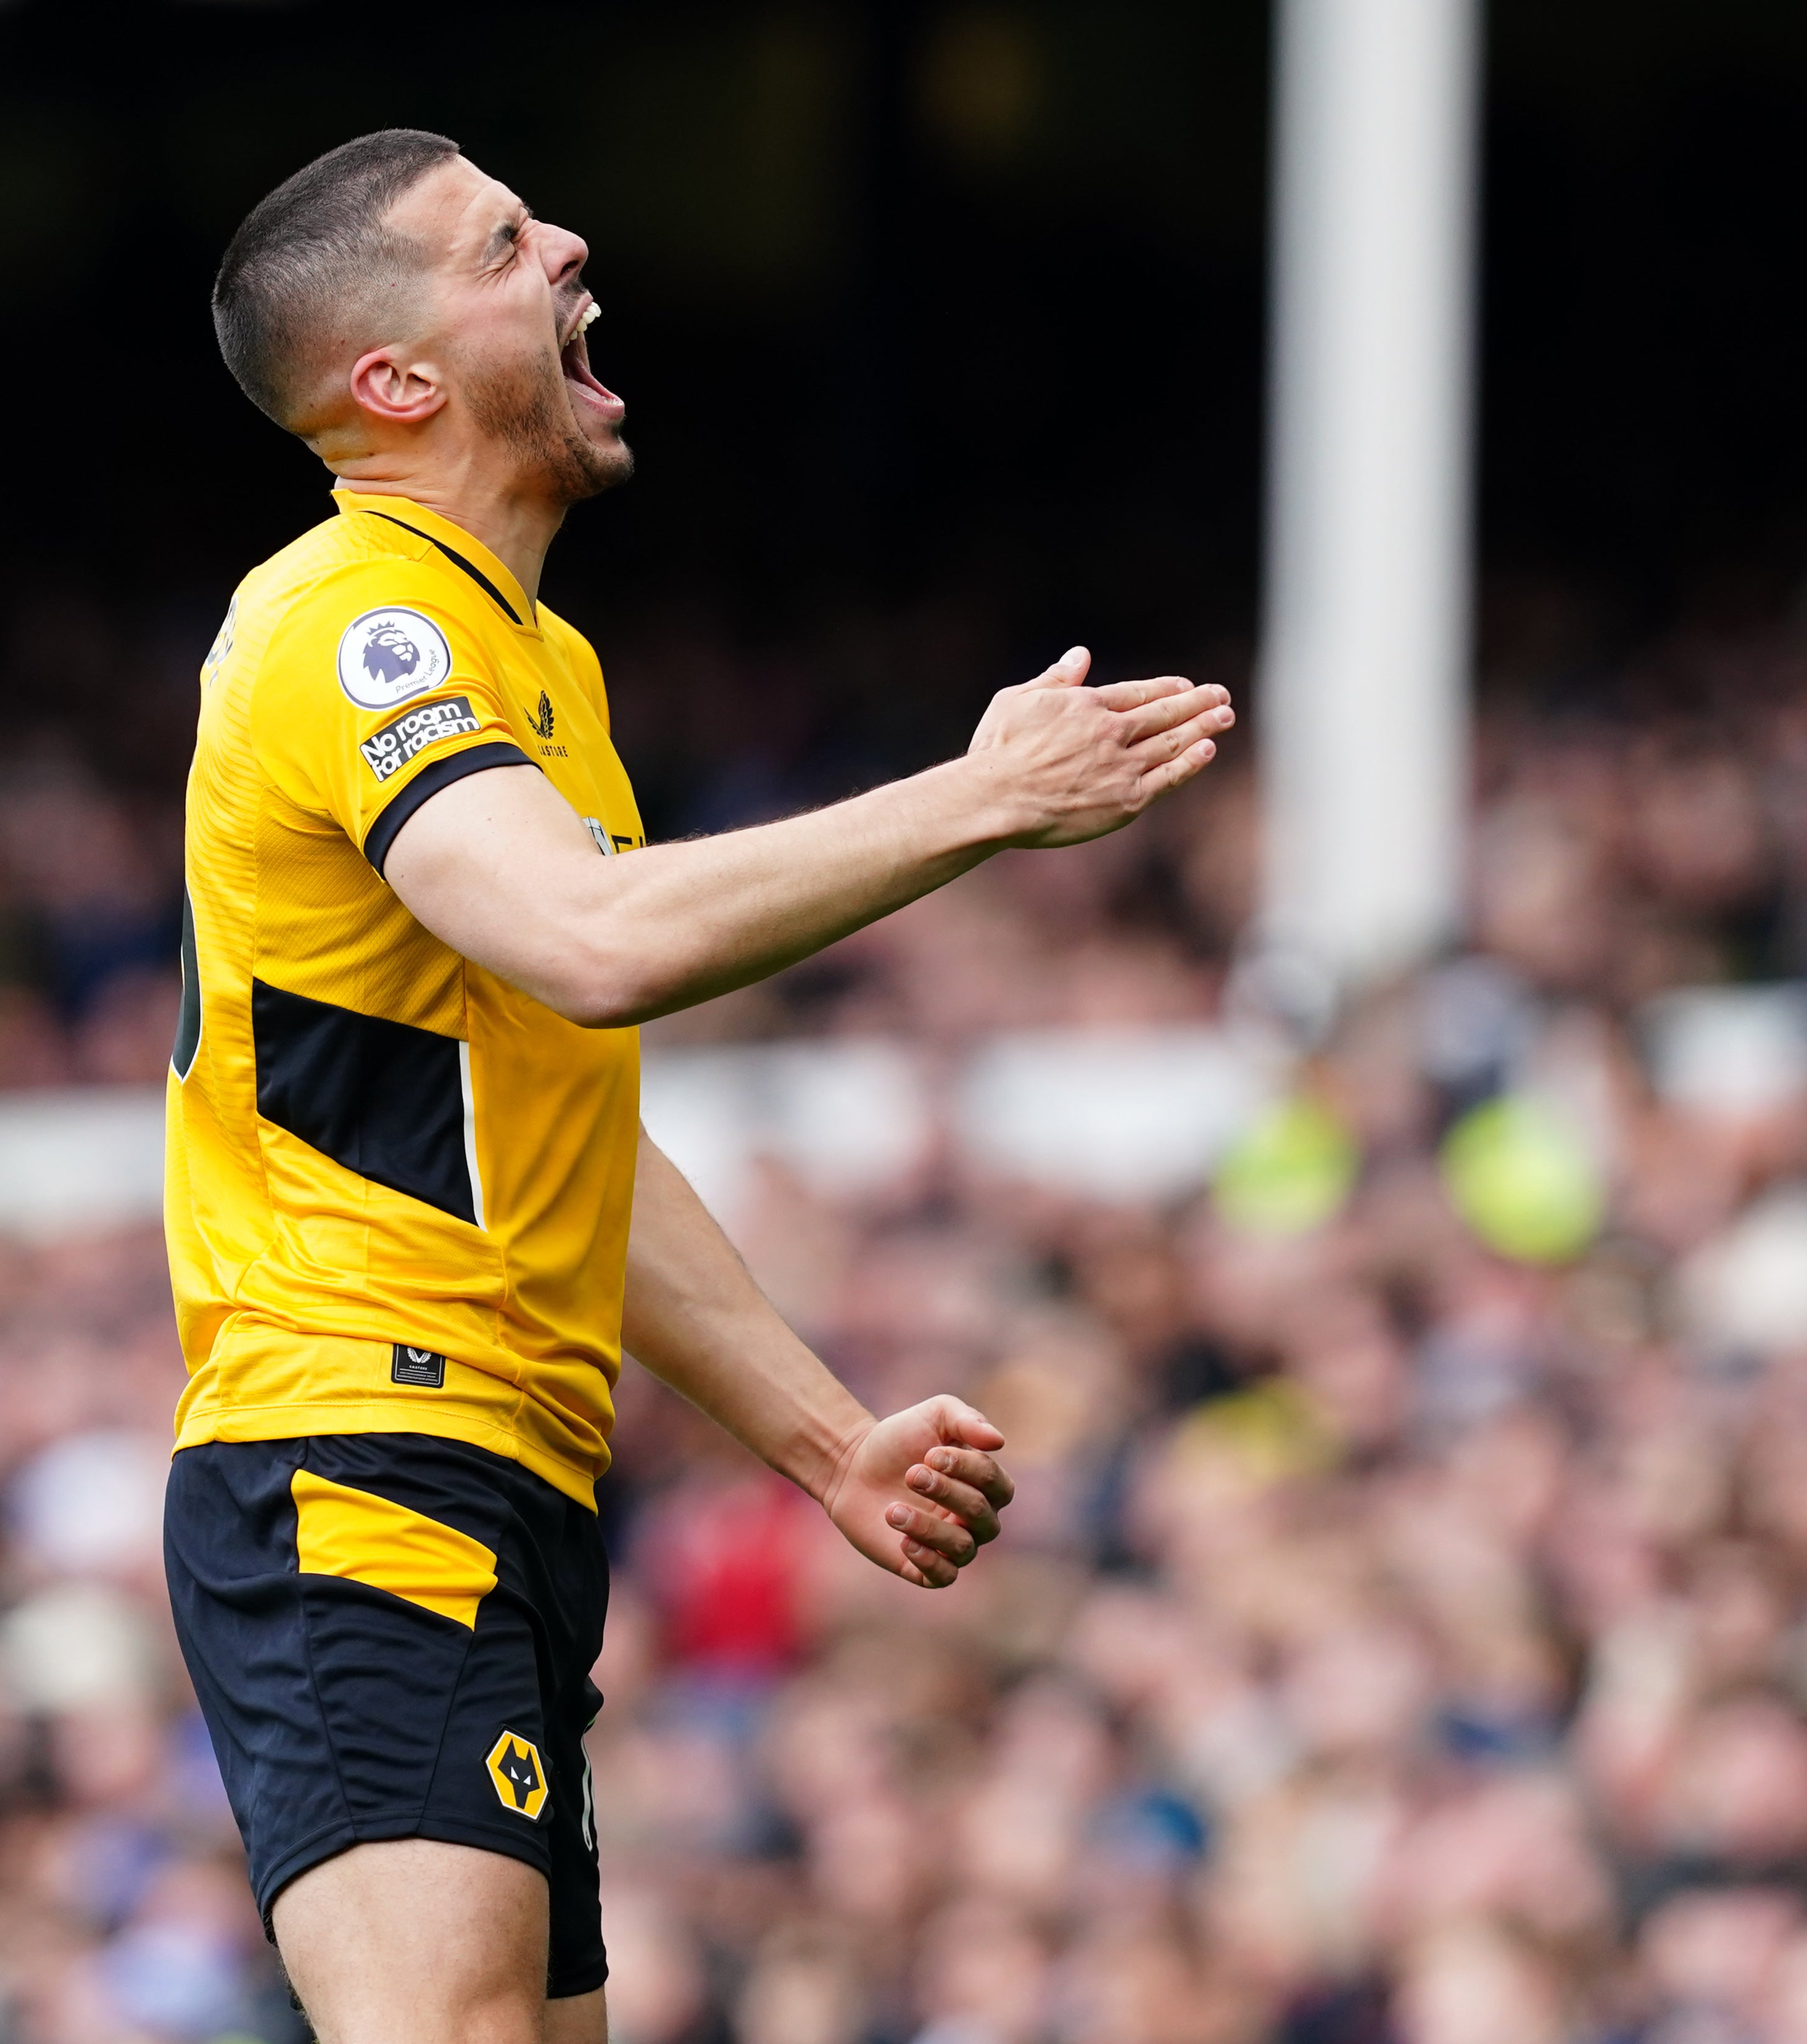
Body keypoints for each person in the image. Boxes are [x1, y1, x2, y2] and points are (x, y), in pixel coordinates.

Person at [163, 128, 1236, 2044]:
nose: (570, 238)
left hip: (497, 1473)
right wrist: (979, 797)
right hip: (356, 1453)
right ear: (391, 382)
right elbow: (593, 940)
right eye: (502, 242)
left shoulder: (539, 666)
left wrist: (826, 1440)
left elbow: (564, 1129)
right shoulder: (355, 624)